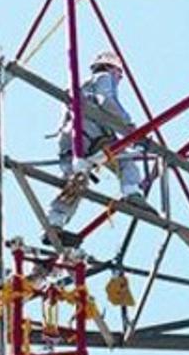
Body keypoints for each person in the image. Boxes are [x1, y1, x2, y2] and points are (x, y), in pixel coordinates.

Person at [45, 51, 143, 247]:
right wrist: (128, 126)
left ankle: (53, 225)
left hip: (70, 138)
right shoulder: (104, 78)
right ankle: (132, 193)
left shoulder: (79, 87)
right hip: (91, 135)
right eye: (119, 74)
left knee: (74, 184)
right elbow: (106, 101)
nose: (119, 78)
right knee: (125, 161)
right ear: (112, 68)